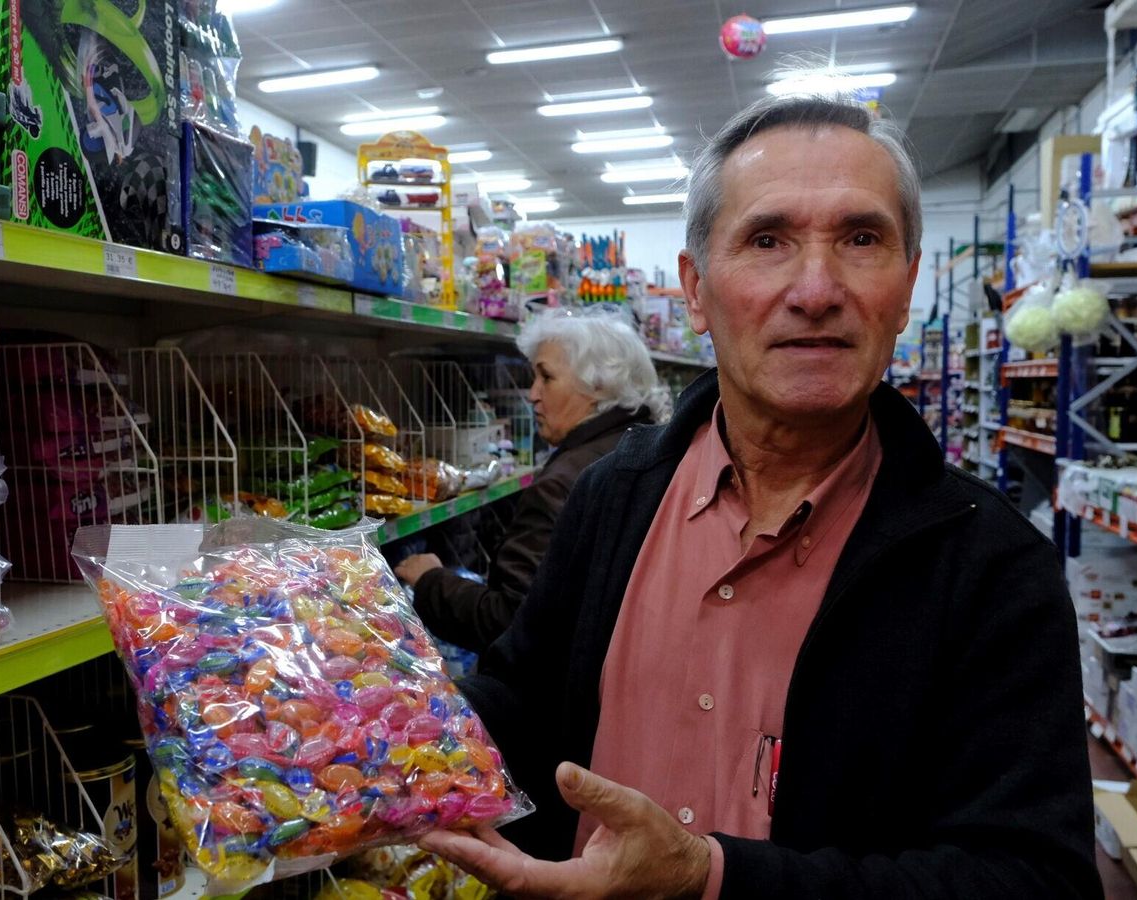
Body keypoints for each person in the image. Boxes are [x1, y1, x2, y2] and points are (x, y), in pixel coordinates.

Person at [419, 93, 1100, 899]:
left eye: (861, 238)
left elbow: (1035, 879)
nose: (816, 288)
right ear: (696, 291)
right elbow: (522, 697)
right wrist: (348, 712)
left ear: (908, 284)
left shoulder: (992, 567)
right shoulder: (613, 496)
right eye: (768, 240)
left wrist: (712, 876)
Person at [394, 311, 668, 652]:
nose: (532, 394)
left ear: (597, 387)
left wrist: (430, 580)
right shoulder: (645, 447)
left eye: (547, 378)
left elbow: (509, 623)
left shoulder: (563, 485)